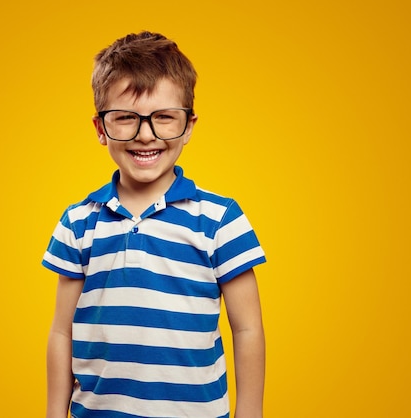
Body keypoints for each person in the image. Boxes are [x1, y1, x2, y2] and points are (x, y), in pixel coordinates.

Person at [43, 31, 266, 418]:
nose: (145, 134)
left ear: (189, 125)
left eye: (164, 118)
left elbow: (247, 330)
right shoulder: (79, 222)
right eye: (126, 118)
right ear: (100, 128)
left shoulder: (220, 220)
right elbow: (62, 332)